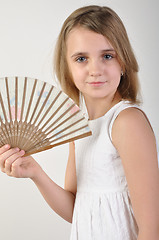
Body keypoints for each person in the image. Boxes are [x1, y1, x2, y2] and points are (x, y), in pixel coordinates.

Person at [0, 5, 159, 240]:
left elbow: (151, 228)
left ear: (123, 62)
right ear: (68, 68)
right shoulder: (81, 126)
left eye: (107, 56)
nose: (95, 69)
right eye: (81, 58)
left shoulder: (127, 122)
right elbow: (77, 209)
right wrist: (36, 173)